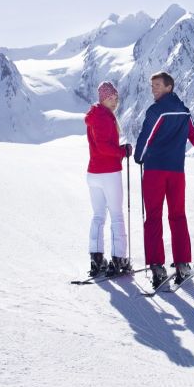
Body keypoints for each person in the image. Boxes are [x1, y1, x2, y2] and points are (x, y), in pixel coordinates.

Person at [133, 71, 194, 287]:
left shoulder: (156, 111)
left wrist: (139, 157)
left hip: (155, 172)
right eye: (151, 85)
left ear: (169, 88)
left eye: (157, 85)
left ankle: (157, 267)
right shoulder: (184, 113)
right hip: (176, 173)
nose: (153, 89)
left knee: (153, 218)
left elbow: (146, 138)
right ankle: (182, 264)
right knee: (178, 216)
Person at [84, 81, 133, 277]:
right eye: (111, 98)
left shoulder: (94, 116)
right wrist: (122, 151)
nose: (115, 101)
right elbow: (104, 146)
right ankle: (118, 258)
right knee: (116, 215)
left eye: (116, 98)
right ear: (103, 98)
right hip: (109, 172)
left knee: (98, 215)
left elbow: (99, 145)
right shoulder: (103, 117)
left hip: (93, 173)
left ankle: (96, 258)